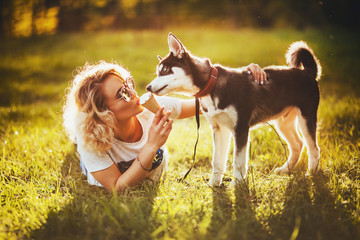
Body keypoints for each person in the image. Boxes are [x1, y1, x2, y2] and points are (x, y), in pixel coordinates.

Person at [62, 61, 266, 192]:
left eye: (129, 84)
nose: (133, 93)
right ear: (103, 112)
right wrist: (151, 145)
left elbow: (208, 103)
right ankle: (75, 146)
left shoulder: (151, 109)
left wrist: (241, 79)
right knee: (82, 150)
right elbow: (117, 189)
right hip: (93, 149)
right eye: (121, 94)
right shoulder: (93, 142)